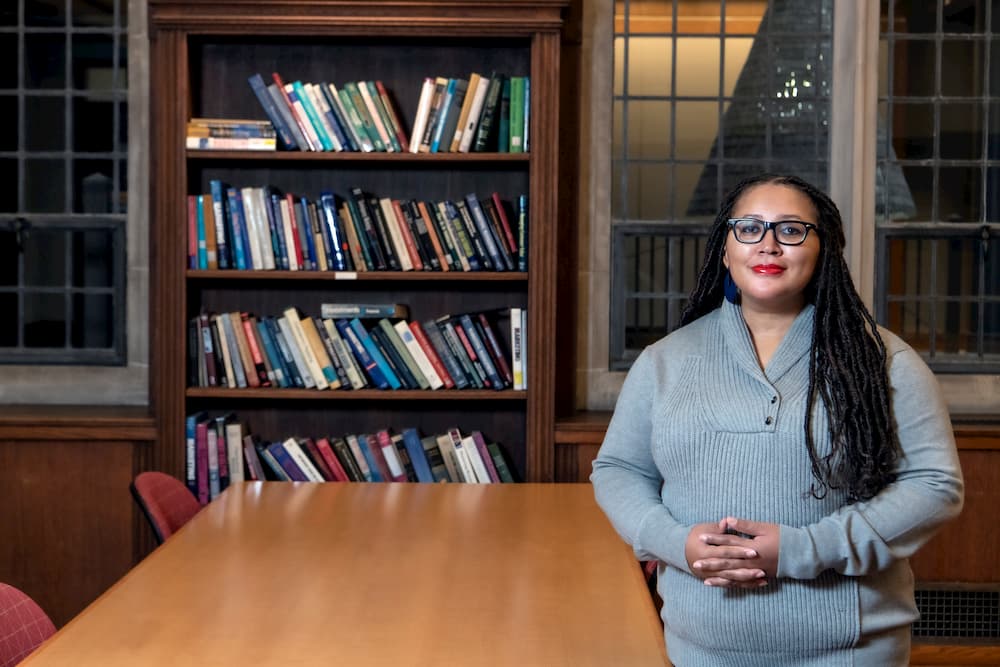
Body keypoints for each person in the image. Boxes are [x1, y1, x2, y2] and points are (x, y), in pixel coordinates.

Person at [590, 173, 964, 666]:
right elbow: (619, 469)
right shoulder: (665, 360)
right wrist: (674, 543)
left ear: (823, 249)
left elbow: (934, 485)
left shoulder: (884, 361)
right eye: (749, 228)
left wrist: (802, 549)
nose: (768, 244)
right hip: (701, 647)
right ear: (725, 250)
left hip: (850, 651)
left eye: (791, 230)